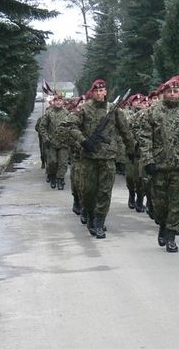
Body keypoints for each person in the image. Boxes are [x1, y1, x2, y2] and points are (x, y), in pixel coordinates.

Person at [139, 75, 179, 253]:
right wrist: (148, 160)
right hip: (159, 164)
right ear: (163, 92)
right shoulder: (153, 111)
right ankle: (162, 224)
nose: (173, 94)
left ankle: (171, 235)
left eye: (176, 91)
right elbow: (145, 138)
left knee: (178, 202)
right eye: (169, 91)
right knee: (160, 203)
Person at [64, 79, 136, 239]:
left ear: (105, 92)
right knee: (88, 192)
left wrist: (131, 149)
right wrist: (84, 141)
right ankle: (90, 216)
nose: (99, 93)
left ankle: (99, 222)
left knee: (104, 192)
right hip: (88, 158)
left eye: (102, 90)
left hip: (107, 158)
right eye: (96, 91)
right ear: (92, 92)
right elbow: (71, 126)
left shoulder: (113, 110)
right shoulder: (84, 108)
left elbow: (125, 131)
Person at [39, 92, 69, 190]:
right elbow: (42, 126)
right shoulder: (49, 113)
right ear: (53, 102)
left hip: (64, 142)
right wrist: (46, 137)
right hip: (51, 142)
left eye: (60, 100)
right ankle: (52, 177)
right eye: (56, 100)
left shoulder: (66, 113)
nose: (58, 102)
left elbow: (72, 126)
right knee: (52, 162)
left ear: (63, 102)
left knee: (63, 162)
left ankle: (60, 179)